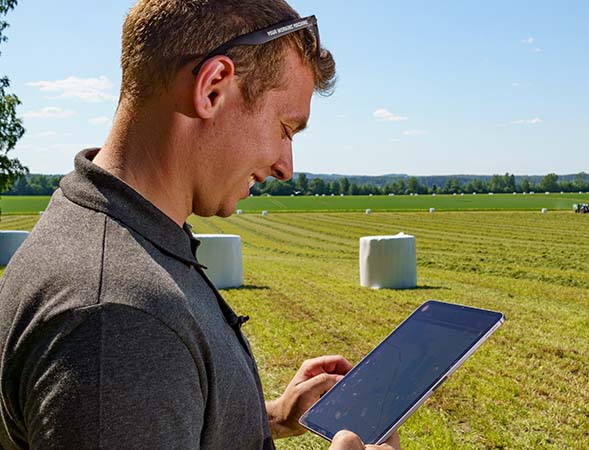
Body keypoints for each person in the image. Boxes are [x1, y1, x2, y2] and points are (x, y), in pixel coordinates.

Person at [0, 1, 399, 449]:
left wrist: (264, 416)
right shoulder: (119, 321)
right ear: (212, 88)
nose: (287, 166)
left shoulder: (111, 233)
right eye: (286, 128)